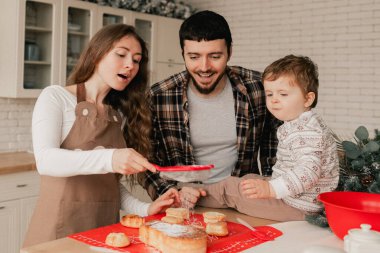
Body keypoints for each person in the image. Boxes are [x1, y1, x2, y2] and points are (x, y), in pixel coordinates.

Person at [24, 24, 179, 247]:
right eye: (121, 54)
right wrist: (111, 158)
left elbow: (107, 183)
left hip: (104, 231)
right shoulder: (56, 97)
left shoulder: (118, 116)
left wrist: (145, 209)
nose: (130, 65)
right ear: (97, 53)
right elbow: (46, 161)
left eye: (136, 60)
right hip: (58, 231)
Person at [138, 10, 280, 212]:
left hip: (245, 200)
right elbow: (147, 161)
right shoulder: (159, 96)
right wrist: (172, 194)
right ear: (183, 54)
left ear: (229, 52)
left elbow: (274, 152)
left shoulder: (258, 88)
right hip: (186, 203)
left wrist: (273, 189)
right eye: (194, 57)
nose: (204, 67)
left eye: (215, 56)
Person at [239, 54, 340, 220]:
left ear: (308, 98)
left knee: (231, 190)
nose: (274, 101)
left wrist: (271, 190)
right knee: (248, 180)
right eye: (270, 94)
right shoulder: (298, 122)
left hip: (300, 205)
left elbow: (308, 173)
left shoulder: (306, 131)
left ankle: (195, 191)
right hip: (295, 196)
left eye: (283, 94)